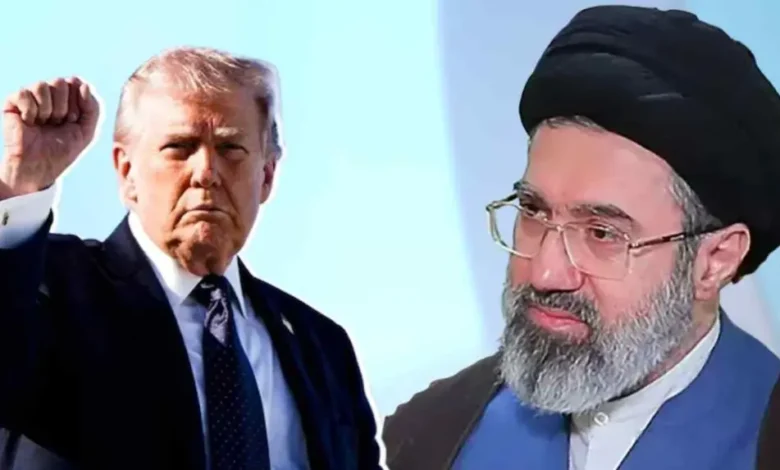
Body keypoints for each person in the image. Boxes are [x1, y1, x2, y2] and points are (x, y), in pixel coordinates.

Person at [382, 5, 780, 470]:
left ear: (715, 260)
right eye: (533, 211)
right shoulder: (432, 433)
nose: (546, 272)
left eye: (601, 233)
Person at [0, 47, 383, 470]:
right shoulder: (48, 286)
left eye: (231, 148)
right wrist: (21, 184)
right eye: (179, 147)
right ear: (127, 172)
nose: (206, 172)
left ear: (267, 175)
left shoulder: (323, 347)